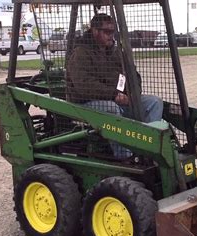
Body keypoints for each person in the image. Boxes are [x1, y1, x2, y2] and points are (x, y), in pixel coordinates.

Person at [66, 13, 163, 159]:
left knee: (154, 102)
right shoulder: (81, 53)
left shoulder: (116, 52)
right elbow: (84, 85)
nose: (111, 36)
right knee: (110, 108)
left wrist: (133, 94)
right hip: (84, 103)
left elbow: (133, 75)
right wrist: (114, 95)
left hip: (118, 99)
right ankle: (125, 158)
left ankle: (149, 151)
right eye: (107, 32)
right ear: (94, 31)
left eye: (113, 32)